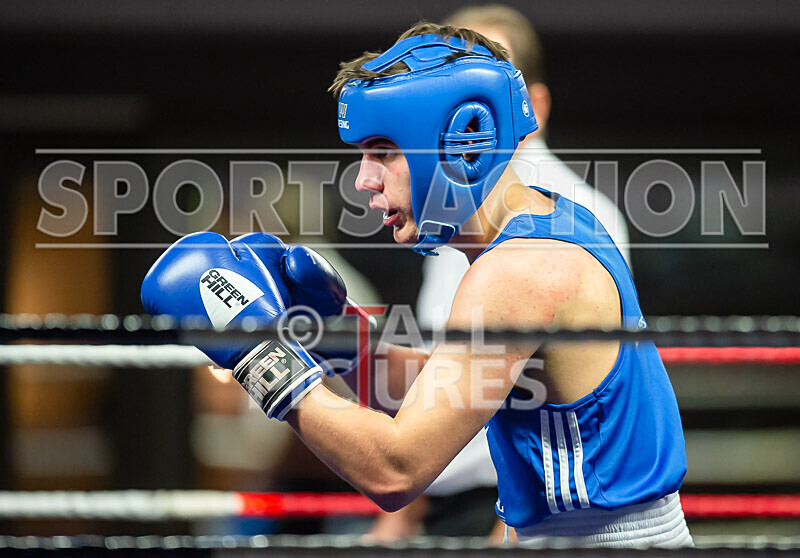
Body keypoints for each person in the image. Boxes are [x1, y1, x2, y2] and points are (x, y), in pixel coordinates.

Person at [142, 22, 691, 548]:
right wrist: (337, 342)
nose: (364, 180)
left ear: (461, 143)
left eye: (384, 152)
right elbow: (455, 384)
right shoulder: (556, 222)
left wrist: (263, 358)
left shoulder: (516, 272)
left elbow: (394, 469)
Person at [373, 5, 634, 541]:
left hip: (519, 509)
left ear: (527, 105)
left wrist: (268, 363)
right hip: (454, 491)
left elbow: (548, 391)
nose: (462, 115)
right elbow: (449, 373)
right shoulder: (455, 224)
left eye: (480, 96)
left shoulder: (545, 236)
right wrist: (335, 333)